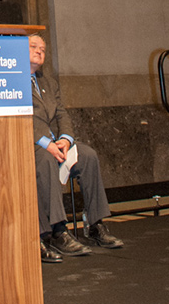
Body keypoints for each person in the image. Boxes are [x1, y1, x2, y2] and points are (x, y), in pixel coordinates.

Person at [28, 33, 123, 262]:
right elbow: (21, 119)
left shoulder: (48, 83)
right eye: (33, 46)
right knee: (46, 159)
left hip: (57, 143)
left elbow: (62, 113)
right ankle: (58, 231)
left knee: (88, 155)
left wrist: (66, 139)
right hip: (32, 144)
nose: (40, 51)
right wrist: (46, 143)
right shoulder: (9, 81)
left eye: (43, 48)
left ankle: (95, 225)